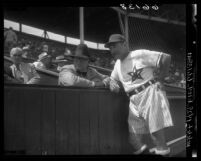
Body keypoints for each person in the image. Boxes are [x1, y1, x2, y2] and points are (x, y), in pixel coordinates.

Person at [104, 34, 173, 156]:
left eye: (114, 46)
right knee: (134, 140)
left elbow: (166, 58)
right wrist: (111, 83)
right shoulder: (117, 65)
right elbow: (112, 79)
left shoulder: (138, 54)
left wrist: (160, 80)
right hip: (133, 100)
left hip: (149, 93)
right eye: (110, 48)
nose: (112, 50)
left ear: (124, 44)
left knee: (157, 138)